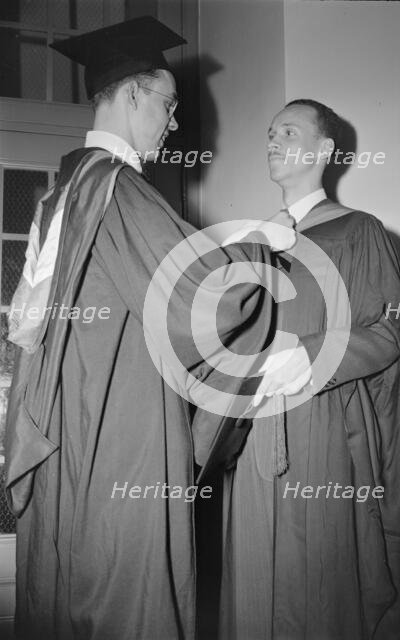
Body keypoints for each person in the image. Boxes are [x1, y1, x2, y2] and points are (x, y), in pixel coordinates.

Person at [4, 17, 298, 640]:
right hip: (119, 428)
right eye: (167, 105)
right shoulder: (116, 187)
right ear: (133, 94)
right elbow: (200, 301)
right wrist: (261, 254)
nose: (172, 123)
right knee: (127, 592)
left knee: (69, 583)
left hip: (65, 429)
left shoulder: (60, 192)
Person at [218, 99, 400, 639]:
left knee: (317, 591)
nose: (272, 138)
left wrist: (313, 353)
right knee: (253, 587)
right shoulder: (250, 240)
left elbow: (394, 330)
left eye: (288, 130)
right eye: (269, 131)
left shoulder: (360, 232)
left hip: (322, 434)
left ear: (324, 150)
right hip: (248, 445)